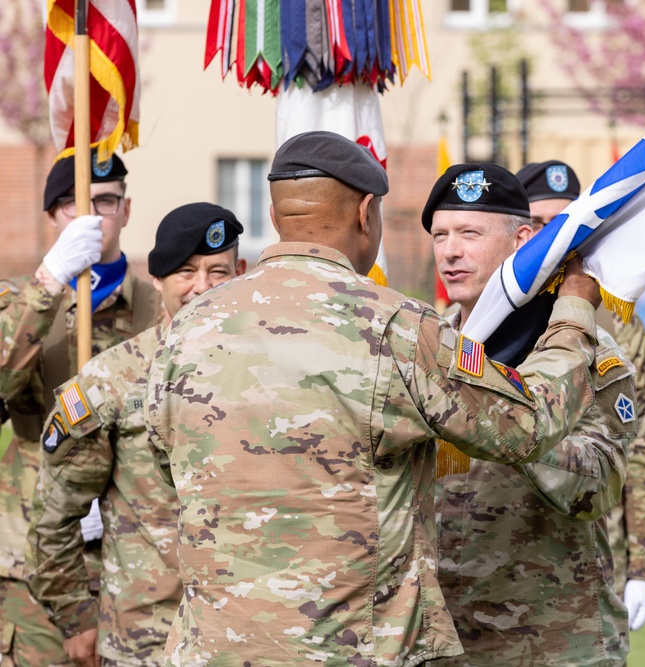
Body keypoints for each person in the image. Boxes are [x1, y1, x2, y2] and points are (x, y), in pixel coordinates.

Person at [144, 131, 605, 666]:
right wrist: (573, 312)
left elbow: (166, 461)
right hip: (352, 650)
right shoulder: (395, 327)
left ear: (274, 216)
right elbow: (527, 423)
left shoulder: (188, 328)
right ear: (367, 213)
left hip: (215, 649)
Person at [427, 162, 636, 665]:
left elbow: (598, 486)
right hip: (445, 638)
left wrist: (509, 421)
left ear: (524, 240)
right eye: (440, 235)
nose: (451, 251)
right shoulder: (425, 344)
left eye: (469, 233)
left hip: (555, 635)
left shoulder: (578, 349)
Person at [25, 204, 246, 667]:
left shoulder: (271, 376)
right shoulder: (112, 379)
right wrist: (76, 618)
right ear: (158, 278)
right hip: (146, 644)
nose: (202, 287)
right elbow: (52, 516)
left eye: (217, 270)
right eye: (186, 272)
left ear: (241, 272)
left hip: (248, 642)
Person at [0, 151, 159, 666]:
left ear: (127, 210)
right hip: (30, 557)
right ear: (52, 216)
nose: (92, 216)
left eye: (106, 201)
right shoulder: (18, 305)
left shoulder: (159, 309)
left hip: (135, 557)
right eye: (73, 204)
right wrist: (50, 281)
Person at [516, 160, 645, 633]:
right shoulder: (472, 322)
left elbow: (641, 454)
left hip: (591, 552)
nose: (555, 238)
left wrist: (643, 568)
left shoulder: (620, 325)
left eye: (565, 225)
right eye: (541, 225)